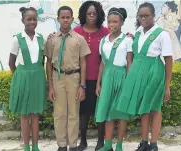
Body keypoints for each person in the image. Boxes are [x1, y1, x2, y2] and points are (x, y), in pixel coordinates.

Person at [116, 2, 173, 151]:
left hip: (154, 72)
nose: (143, 19)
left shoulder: (162, 34)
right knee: (143, 108)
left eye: (146, 16)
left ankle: (153, 144)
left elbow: (168, 60)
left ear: (153, 16)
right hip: (138, 73)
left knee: (154, 108)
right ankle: (144, 142)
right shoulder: (137, 33)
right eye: (140, 16)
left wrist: (167, 85)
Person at [44, 6, 91, 151]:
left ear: (72, 19)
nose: (65, 20)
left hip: (74, 78)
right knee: (59, 113)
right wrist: (50, 86)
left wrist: (82, 86)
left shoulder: (79, 39)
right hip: (58, 78)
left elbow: (83, 63)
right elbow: (48, 63)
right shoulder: (52, 40)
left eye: (68, 17)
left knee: (73, 113)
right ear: (58, 19)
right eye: (62, 17)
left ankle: (72, 145)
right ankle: (62, 145)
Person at [9, 7, 47, 151]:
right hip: (23, 77)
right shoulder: (17, 39)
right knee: (25, 114)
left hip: (37, 76)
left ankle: (35, 146)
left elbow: (42, 61)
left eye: (34, 19)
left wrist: (36, 74)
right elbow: (11, 63)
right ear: (23, 20)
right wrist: (20, 77)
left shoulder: (40, 38)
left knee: (35, 113)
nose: (32, 22)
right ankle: (26, 146)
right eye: (29, 19)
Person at [73, 1, 110, 151]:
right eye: (89, 13)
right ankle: (83, 141)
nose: (92, 16)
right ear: (83, 14)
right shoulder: (76, 31)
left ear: (99, 14)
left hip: (101, 78)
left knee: (100, 111)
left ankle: (101, 141)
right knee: (83, 111)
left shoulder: (105, 32)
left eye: (94, 13)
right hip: (80, 79)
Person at [95, 7, 132, 151]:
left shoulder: (127, 40)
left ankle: (120, 145)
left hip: (121, 77)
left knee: (121, 112)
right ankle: (108, 144)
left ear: (122, 22)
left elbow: (129, 62)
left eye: (115, 22)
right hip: (107, 78)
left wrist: (129, 82)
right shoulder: (103, 41)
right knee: (108, 111)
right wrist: (98, 83)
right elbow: (103, 63)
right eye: (109, 22)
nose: (112, 25)